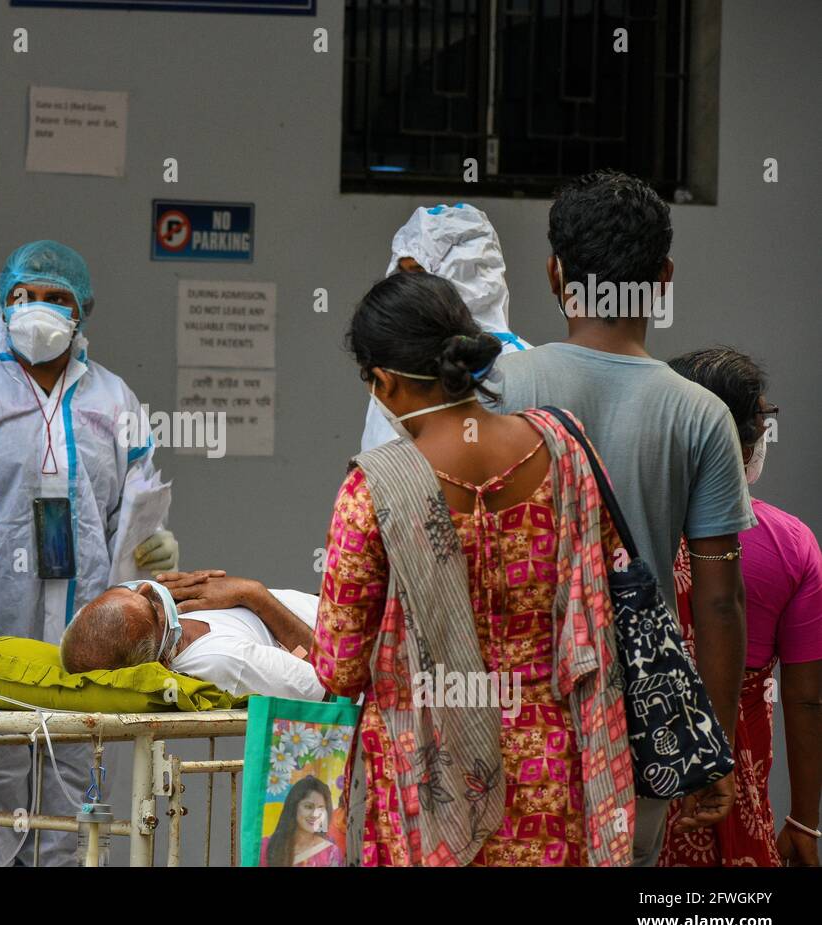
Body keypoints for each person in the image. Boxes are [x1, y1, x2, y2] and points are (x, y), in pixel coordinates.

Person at [315, 271, 634, 867]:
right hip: (550, 775)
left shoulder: (373, 491)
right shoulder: (565, 449)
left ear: (383, 382)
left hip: (429, 793)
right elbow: (605, 581)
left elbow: (341, 668)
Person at [489, 170, 754, 865]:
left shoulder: (495, 392)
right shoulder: (702, 416)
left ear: (555, 274)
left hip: (505, 715)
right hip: (638, 728)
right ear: (662, 278)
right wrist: (710, 745)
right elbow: (721, 601)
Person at [0, 240, 179, 866]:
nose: (39, 310)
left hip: (87, 625)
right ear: (1, 303)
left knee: (75, 780)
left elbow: (137, 495)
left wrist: (156, 544)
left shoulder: (115, 399)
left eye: (57, 299)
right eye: (25, 297)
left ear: (82, 312)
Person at [659, 348, 822, 867]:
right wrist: (803, 821)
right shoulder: (790, 545)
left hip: (628, 784)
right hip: (732, 794)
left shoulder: (621, 530)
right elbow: (805, 701)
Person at [361, 203, 530, 451]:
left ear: (467, 277)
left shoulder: (525, 365)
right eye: (403, 273)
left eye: (420, 272)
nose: (410, 286)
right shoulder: (399, 367)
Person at [59, 571, 323, 700]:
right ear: (160, 662)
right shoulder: (222, 660)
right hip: (356, 646)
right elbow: (334, 688)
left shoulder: (172, 616)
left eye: (124, 591)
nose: (146, 587)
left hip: (337, 610)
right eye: (152, 604)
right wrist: (253, 594)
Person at [263, 776, 344, 867]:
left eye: (320, 809)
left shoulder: (331, 853)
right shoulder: (267, 846)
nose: (315, 815)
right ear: (293, 806)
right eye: (308, 807)